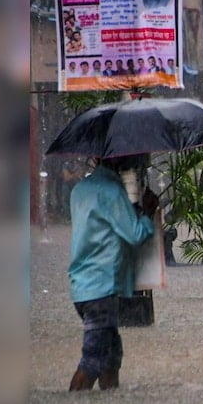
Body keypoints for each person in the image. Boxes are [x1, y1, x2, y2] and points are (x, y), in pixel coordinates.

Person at [67, 156, 159, 391]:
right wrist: (147, 213)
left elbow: (104, 228)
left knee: (111, 356)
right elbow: (136, 234)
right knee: (93, 360)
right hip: (102, 288)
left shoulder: (80, 190)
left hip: (82, 287)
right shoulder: (112, 191)